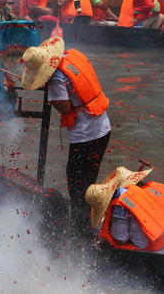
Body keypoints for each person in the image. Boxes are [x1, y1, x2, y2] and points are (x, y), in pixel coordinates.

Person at [20, 36, 111, 236]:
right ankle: (88, 222)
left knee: (77, 184)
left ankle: (80, 231)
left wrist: (51, 92)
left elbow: (65, 107)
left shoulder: (56, 79)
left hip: (86, 134)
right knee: (89, 180)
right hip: (103, 126)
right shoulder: (71, 56)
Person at [85, 166, 164, 251]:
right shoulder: (134, 189)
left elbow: (121, 238)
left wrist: (106, 239)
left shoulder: (119, 207)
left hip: (158, 244)